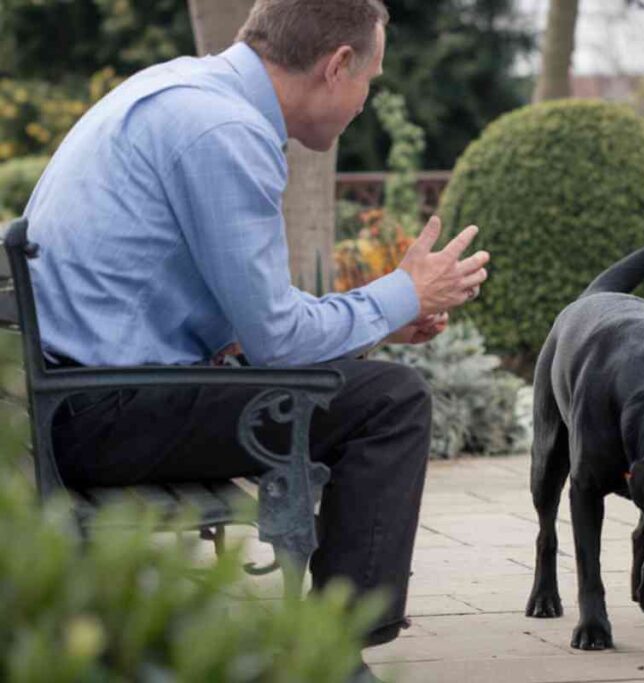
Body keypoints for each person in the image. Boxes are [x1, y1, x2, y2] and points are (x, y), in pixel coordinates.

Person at [23, 0, 488, 679]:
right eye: (371, 81)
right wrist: (402, 293)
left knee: (375, 391)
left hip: (71, 396)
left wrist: (388, 312)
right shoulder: (225, 132)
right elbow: (278, 341)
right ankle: (330, 652)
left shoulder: (180, 90)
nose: (366, 101)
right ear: (338, 66)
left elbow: (257, 323)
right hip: (105, 414)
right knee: (392, 400)